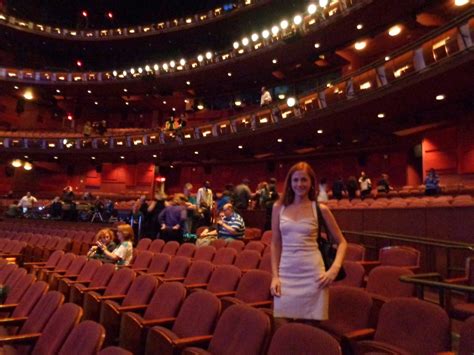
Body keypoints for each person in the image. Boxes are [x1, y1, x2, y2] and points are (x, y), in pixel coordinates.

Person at [270, 162, 347, 322]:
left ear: (311, 182)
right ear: (290, 183)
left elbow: (342, 242)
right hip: (286, 274)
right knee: (284, 325)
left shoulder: (321, 209)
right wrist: (275, 276)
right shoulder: (278, 207)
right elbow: (275, 243)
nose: (299, 184)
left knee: (311, 327)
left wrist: (334, 269)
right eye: (295, 180)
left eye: (304, 180)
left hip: (313, 275)